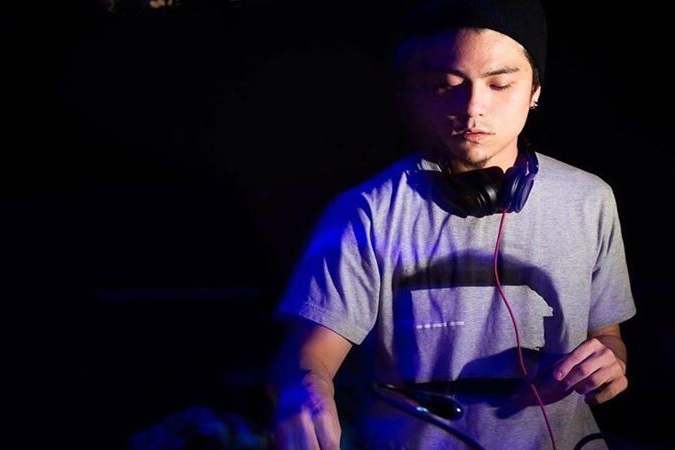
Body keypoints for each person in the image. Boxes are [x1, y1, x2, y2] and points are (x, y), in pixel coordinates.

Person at [268, 0, 636, 448]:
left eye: (500, 83)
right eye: (448, 85)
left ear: (535, 90)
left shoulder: (589, 199)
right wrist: (305, 392)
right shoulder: (367, 211)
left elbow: (607, 336)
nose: (473, 107)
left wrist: (610, 361)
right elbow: (309, 356)